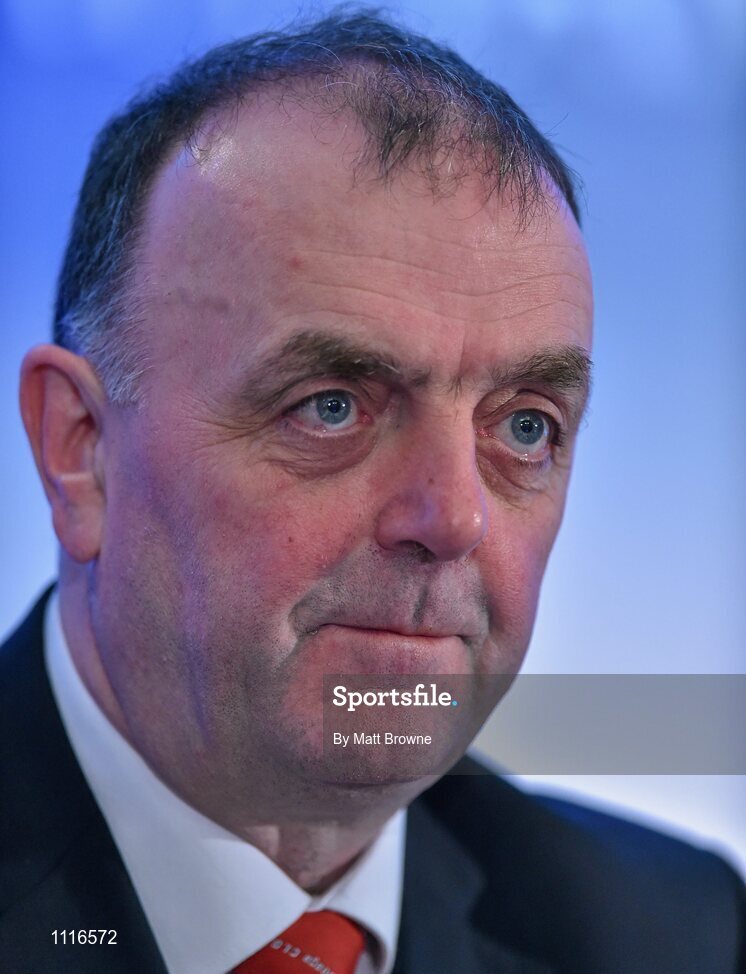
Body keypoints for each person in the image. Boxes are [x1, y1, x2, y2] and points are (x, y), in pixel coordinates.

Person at [0, 11, 743, 974]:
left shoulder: (667, 933)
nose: (453, 518)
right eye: (333, 406)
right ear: (81, 450)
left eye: (526, 427)